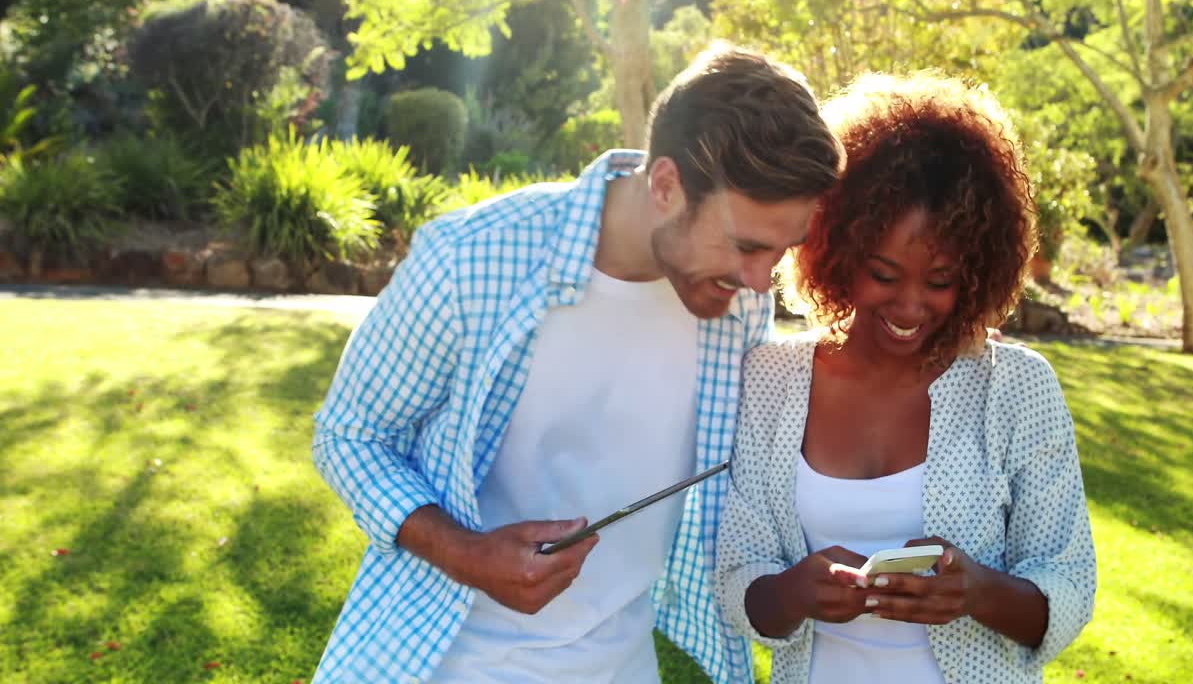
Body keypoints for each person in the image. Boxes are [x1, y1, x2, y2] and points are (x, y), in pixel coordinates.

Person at [309, 43, 843, 684]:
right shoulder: (467, 259)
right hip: (446, 663)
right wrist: (466, 554)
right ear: (666, 186)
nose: (761, 282)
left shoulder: (735, 305)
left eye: (780, 251)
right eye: (746, 246)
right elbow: (351, 435)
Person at [714, 71, 1097, 684]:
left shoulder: (1015, 388)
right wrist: (793, 592)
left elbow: (1069, 584)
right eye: (884, 275)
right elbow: (737, 578)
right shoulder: (771, 380)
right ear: (836, 252)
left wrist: (977, 593)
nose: (910, 306)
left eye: (940, 281)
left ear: (978, 270)